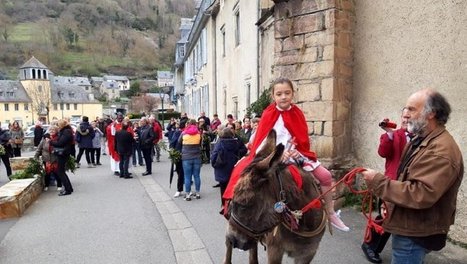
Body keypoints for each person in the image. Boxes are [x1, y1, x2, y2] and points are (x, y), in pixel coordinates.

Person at [223, 77, 350, 232]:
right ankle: (243, 222)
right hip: (271, 157)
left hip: (295, 156)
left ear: (292, 94)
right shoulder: (268, 114)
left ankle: (330, 213)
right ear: (273, 96)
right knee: (244, 177)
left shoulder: (297, 113)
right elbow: (261, 141)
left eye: (287, 93)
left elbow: (302, 140)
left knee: (325, 176)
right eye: (279, 94)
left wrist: (297, 152)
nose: (283, 97)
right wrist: (276, 154)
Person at [362, 89, 463, 264]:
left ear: (431, 113)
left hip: (414, 232)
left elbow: (420, 193)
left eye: (411, 109)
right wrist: (390, 204)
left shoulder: (440, 151)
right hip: (410, 225)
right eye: (405, 109)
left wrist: (377, 181)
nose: (406, 114)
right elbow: (405, 178)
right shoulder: (421, 139)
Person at [361, 114, 410, 264]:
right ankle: (369, 245)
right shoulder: (392, 136)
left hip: (409, 186)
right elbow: (383, 152)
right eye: (404, 116)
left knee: (404, 219)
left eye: (410, 117)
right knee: (385, 217)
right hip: (391, 183)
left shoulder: (421, 138)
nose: (406, 120)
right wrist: (389, 133)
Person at [211, 127, 247, 209]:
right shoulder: (236, 142)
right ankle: (233, 203)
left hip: (222, 168)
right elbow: (244, 150)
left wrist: (214, 164)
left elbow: (214, 156)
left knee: (223, 188)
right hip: (233, 167)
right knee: (233, 187)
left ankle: (224, 205)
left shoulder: (220, 143)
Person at [179, 119, 202, 201]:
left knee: (187, 176)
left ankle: (188, 195)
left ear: (188, 124)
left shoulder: (184, 133)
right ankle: (198, 193)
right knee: (197, 176)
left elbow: (179, 142)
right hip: (197, 157)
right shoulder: (199, 134)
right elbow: (200, 144)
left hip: (186, 157)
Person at [50, 119, 74, 196]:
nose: (57, 126)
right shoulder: (66, 131)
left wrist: (50, 142)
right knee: (61, 171)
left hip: (63, 153)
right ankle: (69, 188)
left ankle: (67, 190)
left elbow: (60, 143)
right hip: (64, 153)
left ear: (61, 125)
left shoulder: (66, 132)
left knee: (60, 172)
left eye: (58, 125)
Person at [170, 121, 185, 198]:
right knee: (181, 172)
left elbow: (172, 143)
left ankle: (179, 189)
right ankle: (182, 188)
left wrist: (172, 151)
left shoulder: (178, 133)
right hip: (182, 155)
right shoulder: (178, 132)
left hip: (180, 154)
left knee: (181, 172)